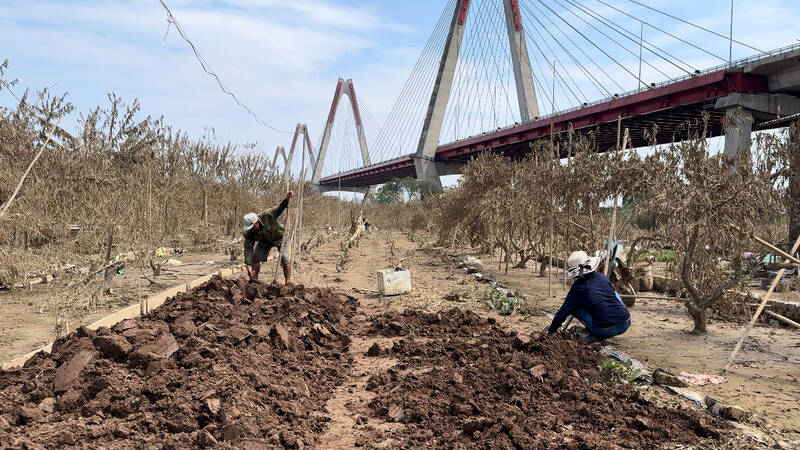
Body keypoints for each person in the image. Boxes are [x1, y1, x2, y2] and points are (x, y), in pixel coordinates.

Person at [548, 250, 631, 341]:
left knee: (574, 308)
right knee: (612, 293)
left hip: (605, 330)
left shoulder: (577, 288)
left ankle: (594, 334)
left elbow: (563, 312)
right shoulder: (602, 277)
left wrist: (552, 331)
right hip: (626, 322)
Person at [242, 191, 294, 283]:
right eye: (249, 228)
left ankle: (288, 282)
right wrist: (248, 264)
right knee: (255, 258)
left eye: (253, 226)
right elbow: (248, 249)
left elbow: (280, 207)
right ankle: (254, 280)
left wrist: (287, 199)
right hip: (264, 241)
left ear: (257, 221)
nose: (251, 229)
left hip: (280, 237)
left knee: (284, 258)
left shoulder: (267, 214)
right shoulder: (249, 232)